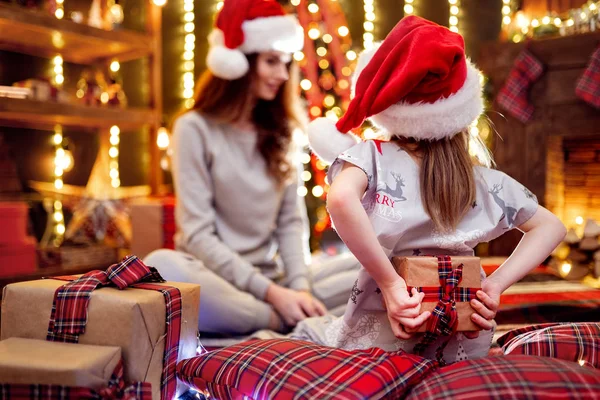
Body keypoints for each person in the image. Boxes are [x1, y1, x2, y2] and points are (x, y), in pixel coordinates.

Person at [295, 16, 567, 363]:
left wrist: (392, 284)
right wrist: (494, 287)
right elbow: (552, 226)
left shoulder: (371, 156)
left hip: (382, 334)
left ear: (390, 107)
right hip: (462, 344)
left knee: (310, 330)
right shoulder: (482, 179)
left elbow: (339, 198)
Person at [144, 0, 360, 336]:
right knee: (160, 265)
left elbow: (291, 222)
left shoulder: (284, 131)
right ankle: (276, 319)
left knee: (372, 267)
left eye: (286, 63)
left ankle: (294, 310)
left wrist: (299, 289)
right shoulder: (193, 128)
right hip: (217, 278)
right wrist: (274, 296)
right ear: (238, 63)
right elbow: (197, 235)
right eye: (271, 61)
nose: (282, 74)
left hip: (274, 280)